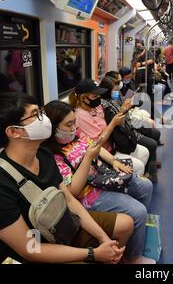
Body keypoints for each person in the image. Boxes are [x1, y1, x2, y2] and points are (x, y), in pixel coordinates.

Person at [0, 92, 132, 264]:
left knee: (126, 224)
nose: (44, 118)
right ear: (13, 131)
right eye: (35, 115)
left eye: (40, 112)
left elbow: (69, 200)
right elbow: (30, 249)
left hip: (62, 226)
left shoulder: (43, 154)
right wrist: (93, 254)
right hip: (36, 254)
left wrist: (103, 238)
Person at [43, 101, 155, 264]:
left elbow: (97, 147)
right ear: (54, 128)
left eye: (74, 122)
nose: (74, 127)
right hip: (88, 194)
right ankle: (132, 258)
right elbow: (73, 191)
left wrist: (114, 161)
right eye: (68, 124)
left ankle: (136, 233)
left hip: (102, 176)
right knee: (138, 211)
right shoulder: (54, 157)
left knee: (146, 186)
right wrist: (88, 158)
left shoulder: (77, 135)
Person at [69, 79, 149, 177]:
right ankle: (133, 183)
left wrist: (123, 110)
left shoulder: (97, 107)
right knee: (139, 166)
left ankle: (136, 179)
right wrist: (113, 124)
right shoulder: (80, 116)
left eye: (99, 95)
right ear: (83, 98)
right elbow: (96, 144)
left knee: (145, 152)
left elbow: (113, 120)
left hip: (115, 144)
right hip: (104, 154)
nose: (98, 98)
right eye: (94, 96)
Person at [99, 76, 160, 182]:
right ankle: (150, 171)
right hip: (124, 131)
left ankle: (151, 168)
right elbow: (117, 120)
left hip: (128, 125)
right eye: (115, 89)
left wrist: (132, 102)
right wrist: (125, 108)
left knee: (154, 135)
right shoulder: (105, 104)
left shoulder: (118, 96)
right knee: (152, 143)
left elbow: (130, 106)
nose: (117, 91)